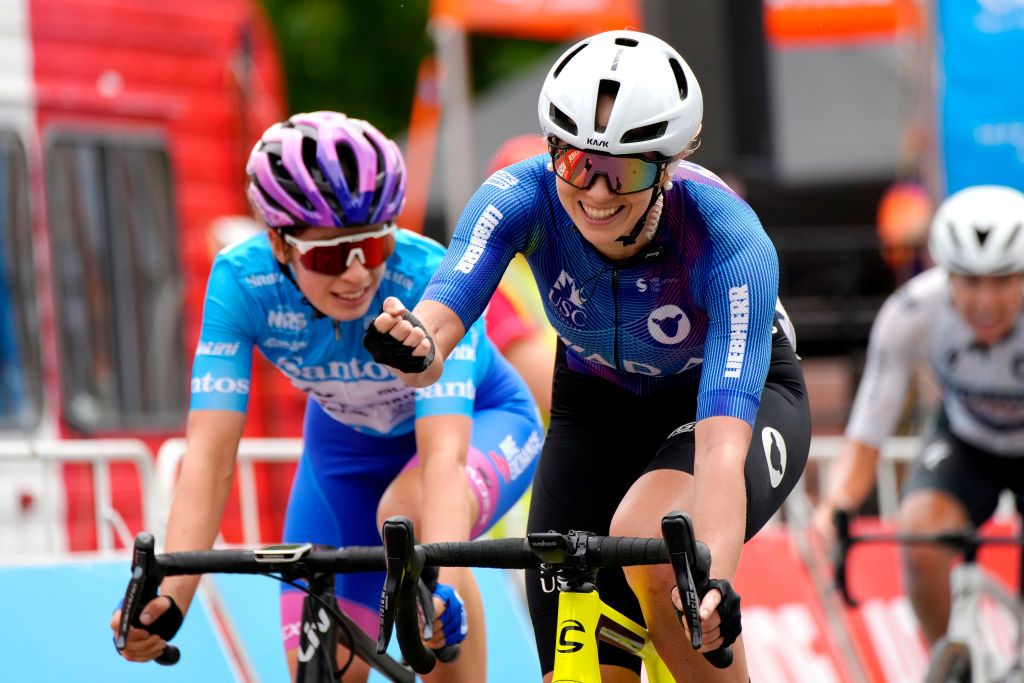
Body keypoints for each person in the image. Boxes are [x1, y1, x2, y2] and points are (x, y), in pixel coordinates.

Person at [363, 30, 811, 683]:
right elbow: (439, 326)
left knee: (660, 543)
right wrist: (414, 342)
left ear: (666, 168)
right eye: (577, 164)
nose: (597, 194)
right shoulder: (516, 196)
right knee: (578, 657)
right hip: (596, 404)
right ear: (552, 152)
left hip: (728, 398)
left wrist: (713, 581)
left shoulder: (727, 239)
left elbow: (718, 447)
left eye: (624, 171)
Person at [110, 111, 543, 682]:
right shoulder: (242, 282)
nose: (358, 275)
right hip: (344, 456)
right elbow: (209, 457)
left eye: (374, 244)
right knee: (319, 671)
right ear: (278, 245)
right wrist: (172, 597)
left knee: (414, 537)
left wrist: (441, 577)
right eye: (329, 256)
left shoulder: (427, 274)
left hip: (483, 423)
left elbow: (442, 458)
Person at [813, 184, 1024, 645]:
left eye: (1003, 281)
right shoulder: (911, 312)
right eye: (969, 281)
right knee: (917, 532)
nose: (985, 301)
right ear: (946, 274)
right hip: (969, 438)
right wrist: (835, 507)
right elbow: (869, 429)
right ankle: (946, 662)